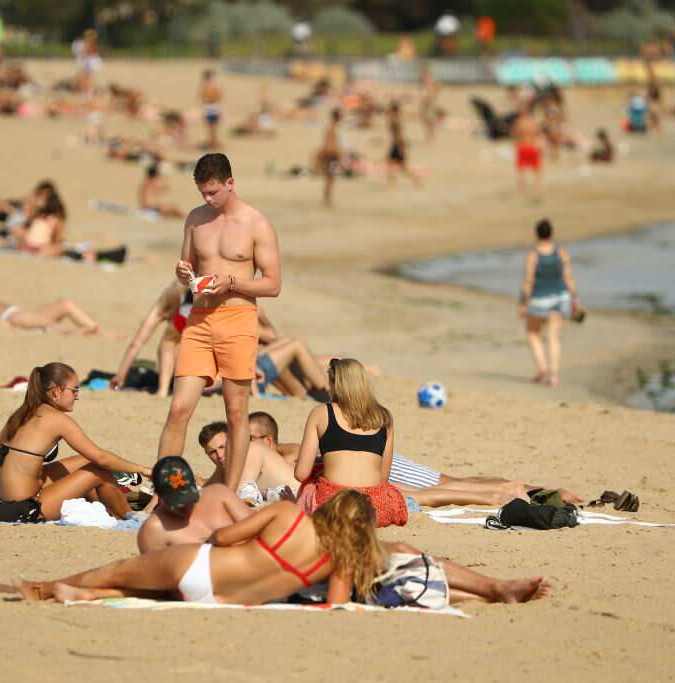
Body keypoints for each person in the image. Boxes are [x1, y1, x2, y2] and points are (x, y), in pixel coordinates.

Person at [0, 490, 550, 606]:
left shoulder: (289, 516)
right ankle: (497, 590)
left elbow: (224, 537)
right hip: (220, 600)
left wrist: (230, 532)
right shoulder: (345, 560)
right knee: (128, 586)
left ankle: (45, 587)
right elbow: (335, 606)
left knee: (117, 570)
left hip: (199, 565)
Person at [157, 153, 282, 494]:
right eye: (203, 193)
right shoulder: (196, 219)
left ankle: (230, 490)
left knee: (236, 411)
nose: (208, 199)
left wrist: (233, 283)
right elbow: (186, 271)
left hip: (238, 319)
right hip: (199, 320)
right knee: (178, 408)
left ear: (230, 183)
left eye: (213, 192)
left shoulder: (256, 224)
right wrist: (182, 272)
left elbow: (273, 284)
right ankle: (165, 488)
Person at [250, 411, 584, 507]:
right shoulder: (279, 453)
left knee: (450, 483)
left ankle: (535, 490)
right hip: (368, 464)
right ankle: (528, 489)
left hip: (374, 464)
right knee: (451, 482)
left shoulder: (286, 452)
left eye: (250, 439)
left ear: (266, 440)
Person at [0, 362, 150, 520]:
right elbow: (101, 458)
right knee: (98, 472)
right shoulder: (58, 419)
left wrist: (26, 475)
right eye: (74, 390)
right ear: (56, 392)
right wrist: (142, 469)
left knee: (85, 460)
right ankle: (129, 515)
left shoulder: (23, 411)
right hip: (23, 507)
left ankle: (112, 501)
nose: (77, 396)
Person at [293, 359, 406, 527]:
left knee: (309, 485)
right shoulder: (384, 417)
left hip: (334, 505)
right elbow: (383, 477)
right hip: (373, 508)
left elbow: (301, 473)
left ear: (335, 385)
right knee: (391, 492)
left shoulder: (321, 413)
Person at [136, 456, 252, 554]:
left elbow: (258, 528)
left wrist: (223, 538)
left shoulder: (219, 495)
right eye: (178, 503)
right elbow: (154, 571)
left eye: (189, 498)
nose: (186, 507)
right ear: (159, 495)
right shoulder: (154, 529)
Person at [519, 219, 579, 386]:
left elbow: (529, 281)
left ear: (536, 234)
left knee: (532, 333)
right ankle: (554, 376)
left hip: (540, 299)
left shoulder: (533, 255)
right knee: (554, 337)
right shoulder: (561, 252)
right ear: (551, 233)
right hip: (561, 297)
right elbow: (568, 276)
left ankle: (542, 367)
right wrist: (574, 298)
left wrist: (523, 303)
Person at [110, 281, 189, 396]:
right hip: (197, 303)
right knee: (179, 345)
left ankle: (163, 390)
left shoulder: (162, 304)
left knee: (167, 345)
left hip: (182, 302)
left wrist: (120, 376)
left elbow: (136, 343)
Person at [198, 421, 299, 505]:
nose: (219, 455)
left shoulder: (251, 449)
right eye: (212, 452)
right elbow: (204, 491)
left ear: (234, 441)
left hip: (303, 501)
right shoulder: (224, 465)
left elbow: (243, 499)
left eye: (222, 447)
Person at [0, 295, 103, 335]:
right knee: (51, 325)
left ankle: (97, 330)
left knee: (65, 303)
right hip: (12, 318)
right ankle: (76, 332)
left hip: (20, 312)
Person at [511, 103, 543, 199]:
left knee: (521, 171)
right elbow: (538, 134)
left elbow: (514, 134)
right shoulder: (533, 122)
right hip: (533, 147)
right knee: (537, 171)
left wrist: (516, 144)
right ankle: (538, 190)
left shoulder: (519, 122)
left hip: (523, 147)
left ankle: (522, 190)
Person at [385, 101, 419, 186]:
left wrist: (401, 147)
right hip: (396, 144)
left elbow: (398, 135)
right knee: (391, 164)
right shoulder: (395, 120)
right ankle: (391, 182)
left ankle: (414, 179)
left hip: (397, 144)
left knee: (400, 166)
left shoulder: (394, 121)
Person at [314, 108, 342, 207]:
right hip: (331, 156)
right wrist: (338, 154)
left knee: (330, 178)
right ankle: (327, 200)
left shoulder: (331, 128)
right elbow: (330, 145)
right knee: (330, 178)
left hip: (331, 156)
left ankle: (327, 199)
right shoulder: (332, 129)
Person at [199, 70, 222, 149]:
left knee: (211, 127)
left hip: (210, 107)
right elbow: (218, 96)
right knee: (212, 127)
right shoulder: (212, 86)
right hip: (212, 107)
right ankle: (213, 142)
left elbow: (203, 98)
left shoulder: (206, 87)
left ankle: (213, 142)